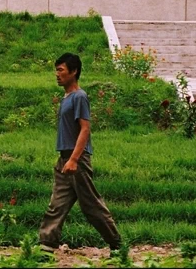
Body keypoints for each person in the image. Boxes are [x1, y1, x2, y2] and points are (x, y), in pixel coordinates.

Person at [39, 53, 121, 254]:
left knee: (91, 206)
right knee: (56, 205)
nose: (57, 74)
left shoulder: (79, 97)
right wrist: (66, 159)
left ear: (74, 71)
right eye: (56, 70)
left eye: (61, 70)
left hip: (77, 160)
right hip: (65, 159)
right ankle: (46, 247)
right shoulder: (66, 97)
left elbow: (85, 129)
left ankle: (117, 245)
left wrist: (74, 159)